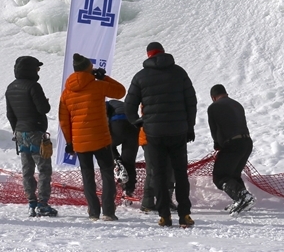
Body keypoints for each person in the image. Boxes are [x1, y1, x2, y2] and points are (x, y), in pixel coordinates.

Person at [124, 42, 197, 228]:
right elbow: (191, 102)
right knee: (180, 174)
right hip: (178, 132)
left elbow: (129, 106)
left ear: (149, 55)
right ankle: (185, 215)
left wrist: (139, 122)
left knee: (159, 174)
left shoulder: (140, 77)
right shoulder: (179, 73)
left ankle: (164, 215)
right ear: (164, 53)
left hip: (154, 134)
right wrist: (190, 127)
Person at [58, 54, 126, 221]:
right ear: (89, 69)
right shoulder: (98, 86)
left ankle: (93, 212)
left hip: (80, 142)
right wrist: (105, 77)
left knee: (87, 176)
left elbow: (63, 120)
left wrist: (69, 142)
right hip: (101, 139)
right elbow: (120, 92)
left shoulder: (66, 93)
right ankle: (108, 212)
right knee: (107, 174)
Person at [5, 56, 57, 217]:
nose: (38, 71)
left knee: (27, 170)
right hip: (36, 131)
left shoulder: (10, 88)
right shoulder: (34, 86)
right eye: (37, 68)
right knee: (44, 169)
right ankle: (43, 204)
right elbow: (43, 109)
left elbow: (10, 114)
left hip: (20, 133)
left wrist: (17, 131)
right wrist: (45, 102)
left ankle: (31, 203)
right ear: (30, 69)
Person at [207, 84, 254, 213]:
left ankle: (242, 197)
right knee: (233, 174)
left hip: (232, 144)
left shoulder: (214, 107)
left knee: (220, 176)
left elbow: (214, 129)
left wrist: (217, 144)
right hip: (247, 142)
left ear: (213, 97)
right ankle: (243, 201)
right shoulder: (237, 104)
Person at [106, 99, 139, 198]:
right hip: (134, 126)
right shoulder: (121, 104)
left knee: (107, 145)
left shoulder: (105, 104)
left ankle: (117, 162)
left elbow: (105, 119)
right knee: (129, 161)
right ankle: (129, 190)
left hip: (118, 123)